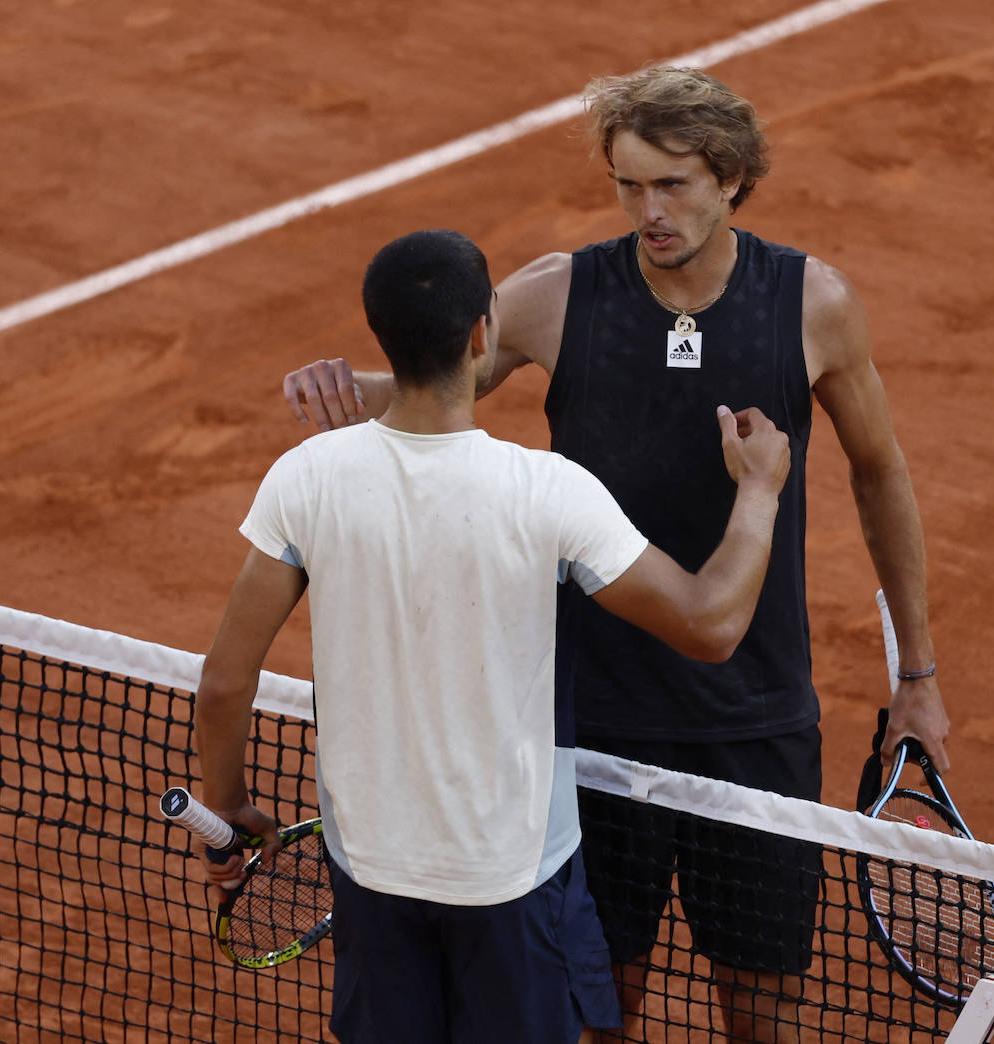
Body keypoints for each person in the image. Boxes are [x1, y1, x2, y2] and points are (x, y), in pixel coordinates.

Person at [282, 67, 950, 1044]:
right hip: (589, 726)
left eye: (672, 185)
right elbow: (436, 385)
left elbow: (881, 473)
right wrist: (349, 386)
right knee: (603, 1011)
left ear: (729, 179)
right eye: (629, 186)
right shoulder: (559, 295)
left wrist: (919, 677)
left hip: (754, 724)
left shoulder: (813, 305)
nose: (649, 211)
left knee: (764, 1017)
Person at [192, 228, 791, 1044]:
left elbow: (227, 681)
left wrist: (226, 812)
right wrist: (758, 493)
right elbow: (711, 624)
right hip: (514, 883)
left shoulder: (307, 476)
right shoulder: (548, 494)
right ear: (484, 332)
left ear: (382, 337)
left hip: (369, 871)